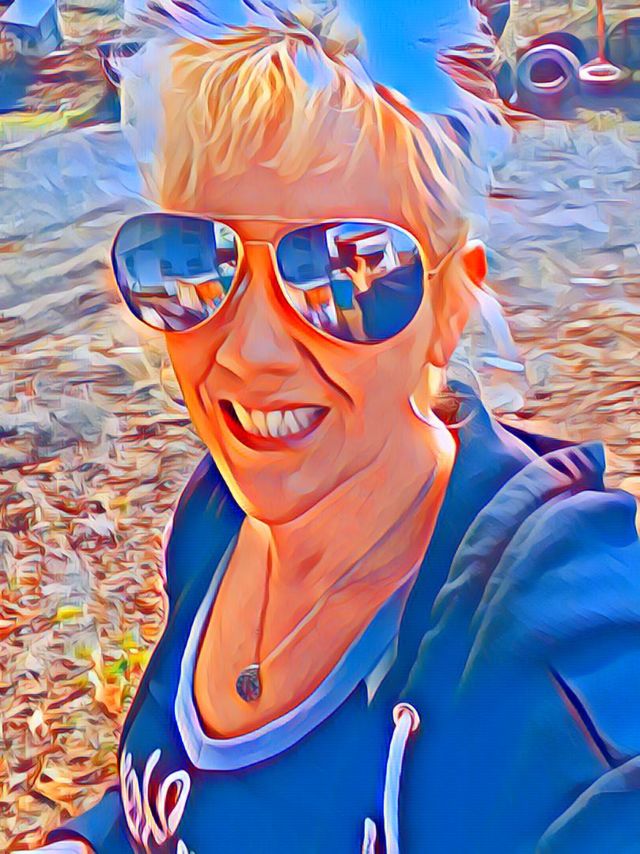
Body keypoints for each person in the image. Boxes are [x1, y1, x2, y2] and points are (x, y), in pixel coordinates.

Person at [34, 2, 640, 852]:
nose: (249, 353)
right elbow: (172, 807)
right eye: (191, 262)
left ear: (449, 307)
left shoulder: (544, 637)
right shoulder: (218, 515)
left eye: (344, 273)